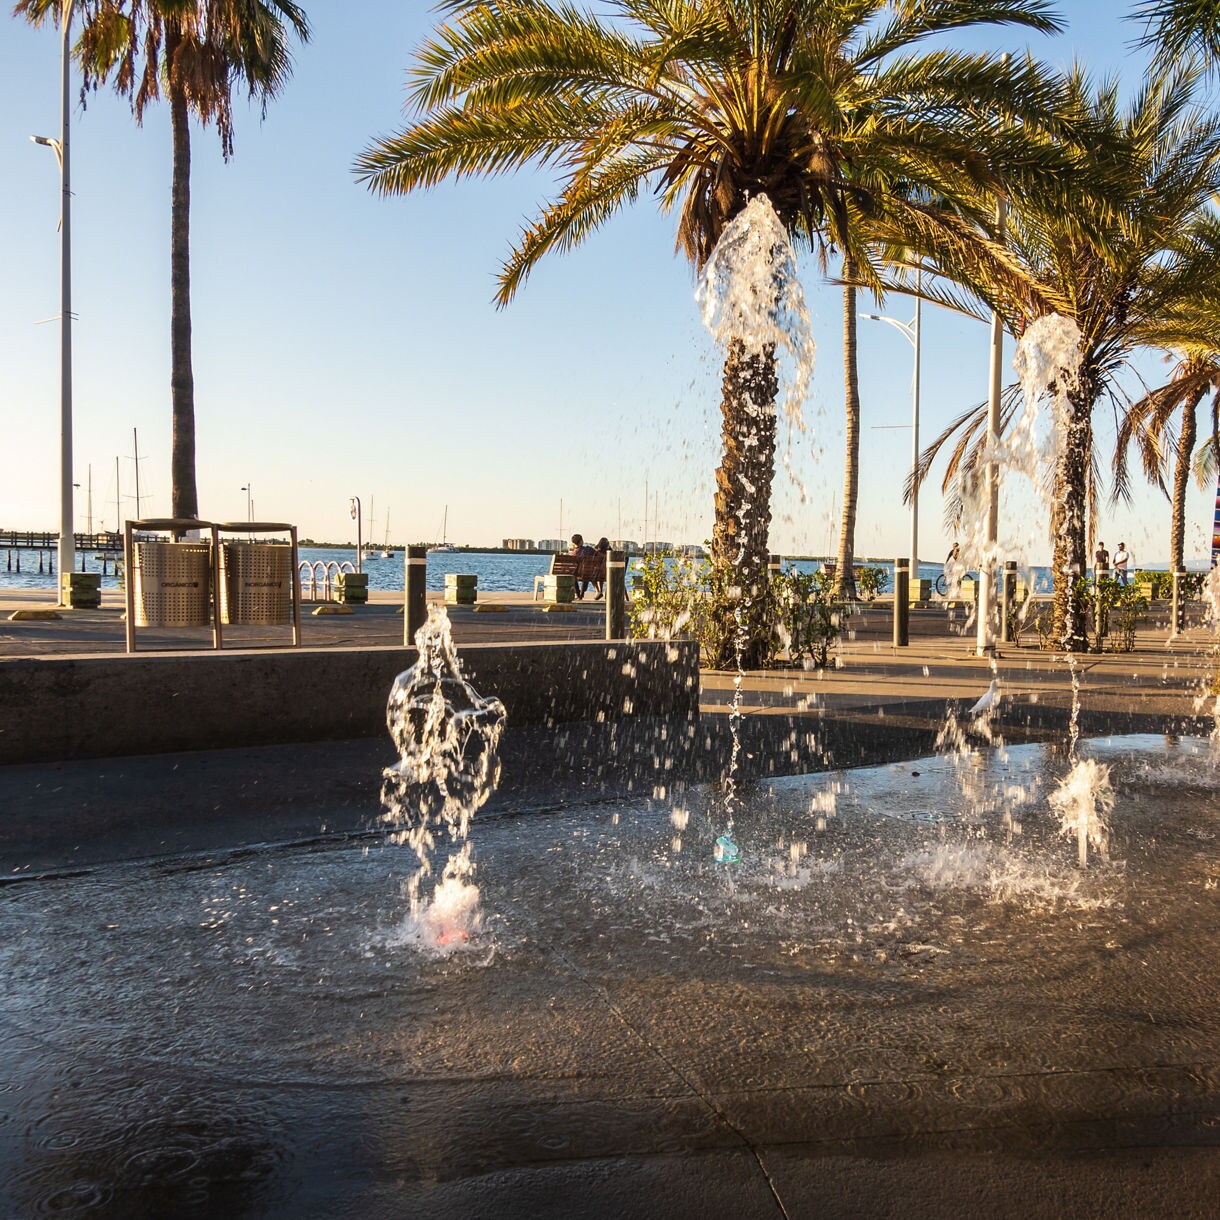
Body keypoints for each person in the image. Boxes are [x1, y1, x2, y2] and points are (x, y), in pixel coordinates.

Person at [568, 533, 595, 599]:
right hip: (587, 573)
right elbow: (596, 553)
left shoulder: (573, 553)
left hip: (577, 573)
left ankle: (578, 594)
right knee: (586, 572)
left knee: (573, 576)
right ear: (581, 541)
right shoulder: (588, 549)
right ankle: (582, 593)